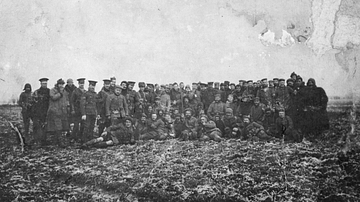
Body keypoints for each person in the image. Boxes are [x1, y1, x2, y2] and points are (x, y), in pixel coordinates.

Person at [46, 79, 70, 147]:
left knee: (63, 126)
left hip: (62, 112)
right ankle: (60, 142)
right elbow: (53, 97)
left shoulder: (64, 91)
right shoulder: (53, 90)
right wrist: (60, 94)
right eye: (60, 84)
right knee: (58, 126)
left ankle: (58, 141)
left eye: (62, 84)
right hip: (55, 112)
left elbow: (66, 100)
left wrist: (67, 108)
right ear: (57, 84)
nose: (61, 86)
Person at [32, 78, 50, 145]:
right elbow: (33, 102)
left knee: (45, 125)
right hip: (38, 111)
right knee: (37, 126)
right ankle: (37, 140)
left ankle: (44, 140)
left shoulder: (49, 91)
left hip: (46, 111)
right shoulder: (37, 92)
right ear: (41, 84)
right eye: (43, 83)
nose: (44, 85)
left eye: (45, 83)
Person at [70, 78, 86, 142]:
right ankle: (73, 137)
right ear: (78, 84)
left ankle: (80, 137)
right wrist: (73, 109)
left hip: (83, 111)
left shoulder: (85, 91)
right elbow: (72, 101)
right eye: (80, 83)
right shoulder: (75, 91)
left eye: (82, 83)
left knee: (83, 125)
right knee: (76, 125)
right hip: (77, 110)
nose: (81, 85)